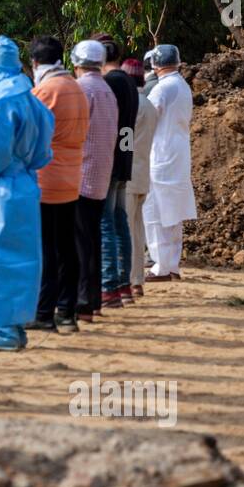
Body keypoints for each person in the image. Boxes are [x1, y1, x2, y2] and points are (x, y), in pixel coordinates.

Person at [0, 36, 53, 351]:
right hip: (27, 184)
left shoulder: (0, 99)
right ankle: (17, 325)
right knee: (26, 259)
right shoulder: (32, 99)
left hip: (1, 188)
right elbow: (43, 152)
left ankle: (2, 330)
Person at [29, 36, 89, 335]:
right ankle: (67, 312)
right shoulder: (76, 89)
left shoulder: (44, 91)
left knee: (47, 250)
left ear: (36, 63)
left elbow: (30, 136)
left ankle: (43, 312)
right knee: (67, 248)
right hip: (71, 179)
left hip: (46, 180)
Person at [71, 39, 118, 322]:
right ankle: (95, 299)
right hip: (102, 174)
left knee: (81, 241)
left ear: (77, 64)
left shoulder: (81, 90)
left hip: (81, 174)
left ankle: (84, 303)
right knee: (92, 237)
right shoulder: (106, 90)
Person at [144, 44, 198, 280]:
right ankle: (171, 264)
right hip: (177, 154)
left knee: (154, 211)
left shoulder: (162, 89)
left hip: (161, 155)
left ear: (155, 65)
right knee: (172, 211)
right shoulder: (182, 86)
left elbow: (147, 119)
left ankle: (161, 266)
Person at [96, 37, 140, 310]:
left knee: (106, 221)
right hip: (125, 158)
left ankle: (109, 285)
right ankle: (124, 282)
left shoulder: (109, 83)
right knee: (119, 219)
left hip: (109, 159)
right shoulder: (128, 82)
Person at [122, 57, 159, 296]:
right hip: (143, 174)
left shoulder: (129, 105)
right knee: (138, 229)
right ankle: (137, 281)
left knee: (126, 230)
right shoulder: (149, 105)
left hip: (127, 176)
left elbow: (124, 143)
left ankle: (127, 280)